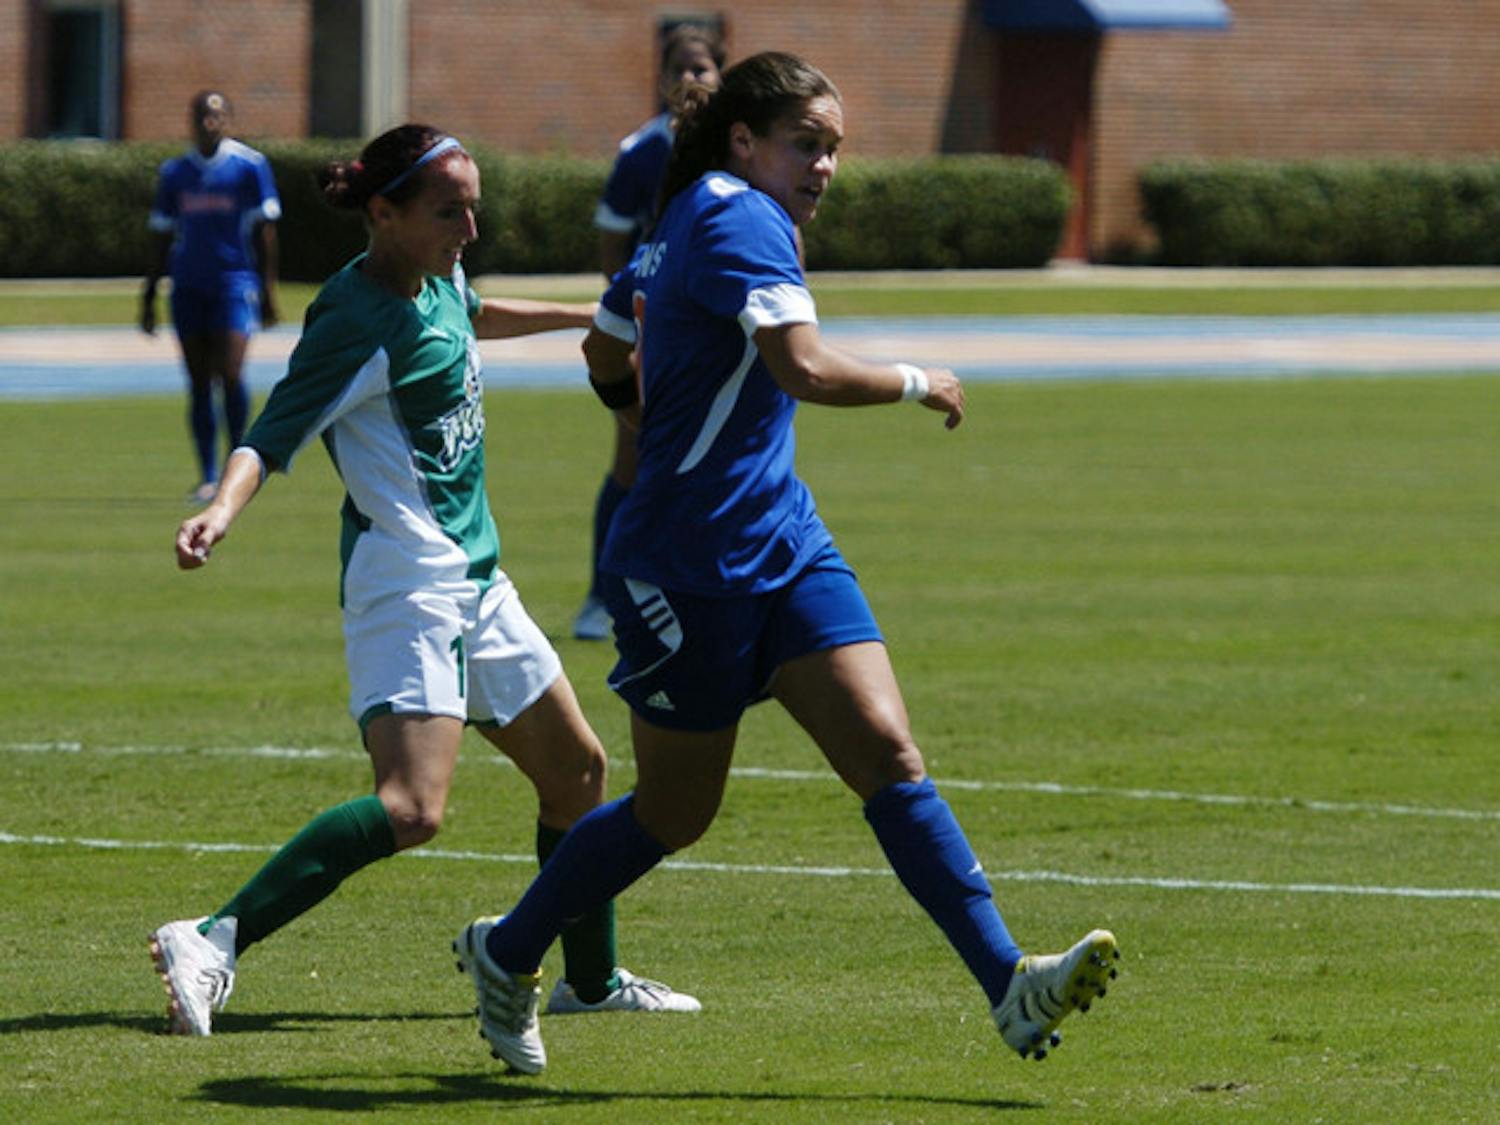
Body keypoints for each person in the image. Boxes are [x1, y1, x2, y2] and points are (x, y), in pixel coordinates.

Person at [452, 52, 1120, 1077]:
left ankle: (1009, 984)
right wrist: (917, 380)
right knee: (675, 812)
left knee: (889, 753)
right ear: (745, 141)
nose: (825, 167)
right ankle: (509, 952)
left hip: (784, 541)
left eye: (835, 148)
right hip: (686, 566)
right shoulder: (741, 219)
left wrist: (639, 421)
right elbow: (799, 368)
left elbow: (605, 345)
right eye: (806, 144)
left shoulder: (684, 215)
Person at [149, 124, 699, 1039]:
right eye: (450, 211)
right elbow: (270, 433)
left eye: (472, 208)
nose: (469, 229)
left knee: (578, 771)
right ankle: (210, 937)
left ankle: (591, 980)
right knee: (411, 807)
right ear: (383, 212)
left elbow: (472, 312)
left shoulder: (436, 278)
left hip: (477, 578)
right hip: (405, 586)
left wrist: (586, 316)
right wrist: (221, 511)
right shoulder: (353, 318)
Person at [572, 24, 727, 641]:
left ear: (722, 75)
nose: (690, 79)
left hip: (719, 330)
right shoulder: (643, 151)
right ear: (661, 79)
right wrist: (631, 313)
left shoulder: (741, 145)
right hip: (656, 328)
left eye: (702, 68)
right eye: (679, 68)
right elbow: (614, 236)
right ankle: (601, 596)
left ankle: (702, 593)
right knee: (634, 459)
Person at [142, 91, 281, 505]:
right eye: (202, 115)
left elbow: (265, 231)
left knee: (232, 373)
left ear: (228, 120)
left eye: (217, 115)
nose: (209, 123)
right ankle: (206, 475)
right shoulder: (175, 172)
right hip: (188, 286)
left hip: (234, 283)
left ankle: (236, 470)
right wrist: (148, 296)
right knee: (199, 381)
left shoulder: (249, 166)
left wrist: (268, 290)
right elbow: (161, 234)